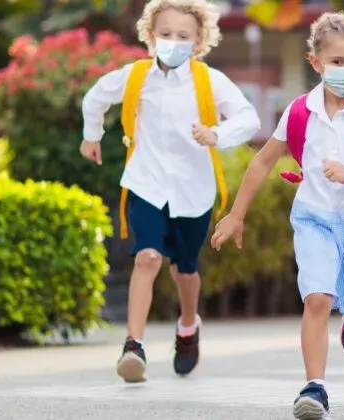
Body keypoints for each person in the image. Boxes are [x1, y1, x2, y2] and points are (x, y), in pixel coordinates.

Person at [210, 11, 344, 420]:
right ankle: (315, 389)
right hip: (315, 217)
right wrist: (236, 214)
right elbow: (263, 162)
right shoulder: (300, 111)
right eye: (338, 63)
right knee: (317, 298)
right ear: (316, 63)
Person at [79, 0, 261, 383]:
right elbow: (96, 96)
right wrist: (90, 136)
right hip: (146, 183)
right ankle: (134, 346)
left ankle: (188, 326)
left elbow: (249, 118)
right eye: (165, 35)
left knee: (184, 269)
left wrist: (217, 135)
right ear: (151, 36)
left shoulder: (209, 80)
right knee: (147, 258)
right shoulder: (135, 76)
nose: (173, 42)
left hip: (193, 191)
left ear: (198, 42)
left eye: (183, 36)